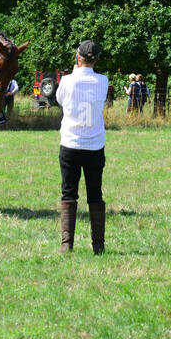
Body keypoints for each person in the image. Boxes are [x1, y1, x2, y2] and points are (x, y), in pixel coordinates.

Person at [57, 40, 109, 254]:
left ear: (78, 59)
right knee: (95, 194)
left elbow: (60, 100)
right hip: (95, 144)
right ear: (96, 60)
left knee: (68, 192)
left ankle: (66, 244)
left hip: (71, 142)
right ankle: (98, 245)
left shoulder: (67, 81)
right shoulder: (103, 81)